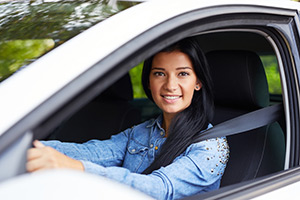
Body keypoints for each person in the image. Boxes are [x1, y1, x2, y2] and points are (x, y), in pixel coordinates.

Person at [26, 37, 229, 200]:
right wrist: (29, 148)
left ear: (198, 82)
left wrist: (77, 168)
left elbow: (159, 189)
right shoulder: (142, 132)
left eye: (182, 74)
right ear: (149, 82)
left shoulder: (211, 146)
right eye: (160, 73)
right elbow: (93, 152)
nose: (170, 85)